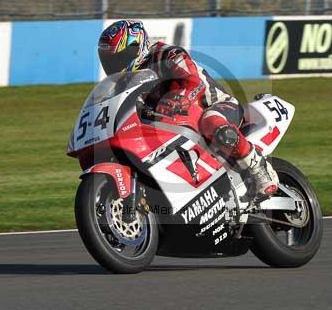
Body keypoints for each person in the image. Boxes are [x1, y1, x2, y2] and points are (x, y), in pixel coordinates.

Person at [98, 19, 278, 198]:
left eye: (119, 58)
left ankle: (258, 167)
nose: (114, 65)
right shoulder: (122, 84)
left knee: (211, 121)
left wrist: (179, 99)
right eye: (109, 61)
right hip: (172, 123)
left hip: (213, 105)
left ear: (137, 47)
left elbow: (194, 81)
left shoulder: (167, 54)